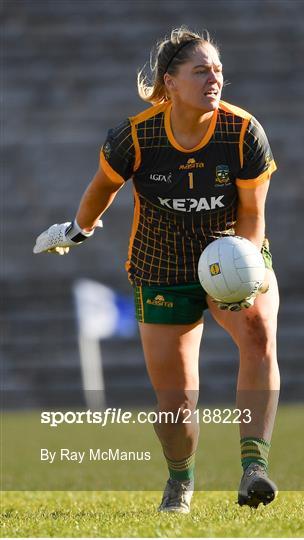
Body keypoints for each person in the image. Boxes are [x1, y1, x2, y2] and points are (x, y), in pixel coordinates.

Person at [33, 27, 280, 514]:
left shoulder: (243, 130)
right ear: (170, 81)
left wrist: (244, 267)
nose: (215, 79)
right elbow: (102, 187)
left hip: (233, 258)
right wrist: (77, 230)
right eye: (201, 70)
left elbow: (253, 212)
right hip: (161, 268)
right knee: (175, 407)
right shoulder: (136, 134)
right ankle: (180, 480)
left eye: (218, 70)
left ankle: (254, 467)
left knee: (259, 335)